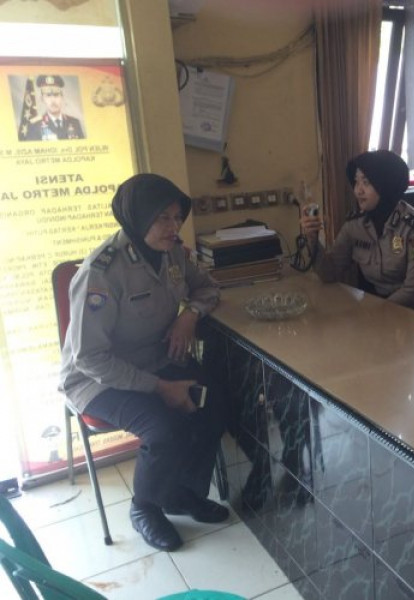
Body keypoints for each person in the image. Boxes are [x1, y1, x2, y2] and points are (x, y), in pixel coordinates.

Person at [59, 173, 228, 552]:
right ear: (137, 217)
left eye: (177, 217)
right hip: (97, 380)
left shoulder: (173, 253)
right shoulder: (101, 272)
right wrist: (161, 388)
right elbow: (89, 358)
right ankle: (145, 508)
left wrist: (189, 315)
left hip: (154, 360)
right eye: (162, 218)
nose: (173, 227)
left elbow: (208, 287)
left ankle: (181, 493)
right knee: (163, 427)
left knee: (214, 404)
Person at [299, 150, 414, 317]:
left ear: (385, 184)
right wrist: (312, 238)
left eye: (366, 182)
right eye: (356, 182)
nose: (358, 191)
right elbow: (329, 273)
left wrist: (372, 313)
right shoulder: (355, 226)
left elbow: (413, 292)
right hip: (383, 308)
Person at [25, 75, 85, 141]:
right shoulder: (34, 126)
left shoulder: (75, 123)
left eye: (56, 95)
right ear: (42, 99)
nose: (53, 100)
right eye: (48, 96)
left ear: (62, 97)